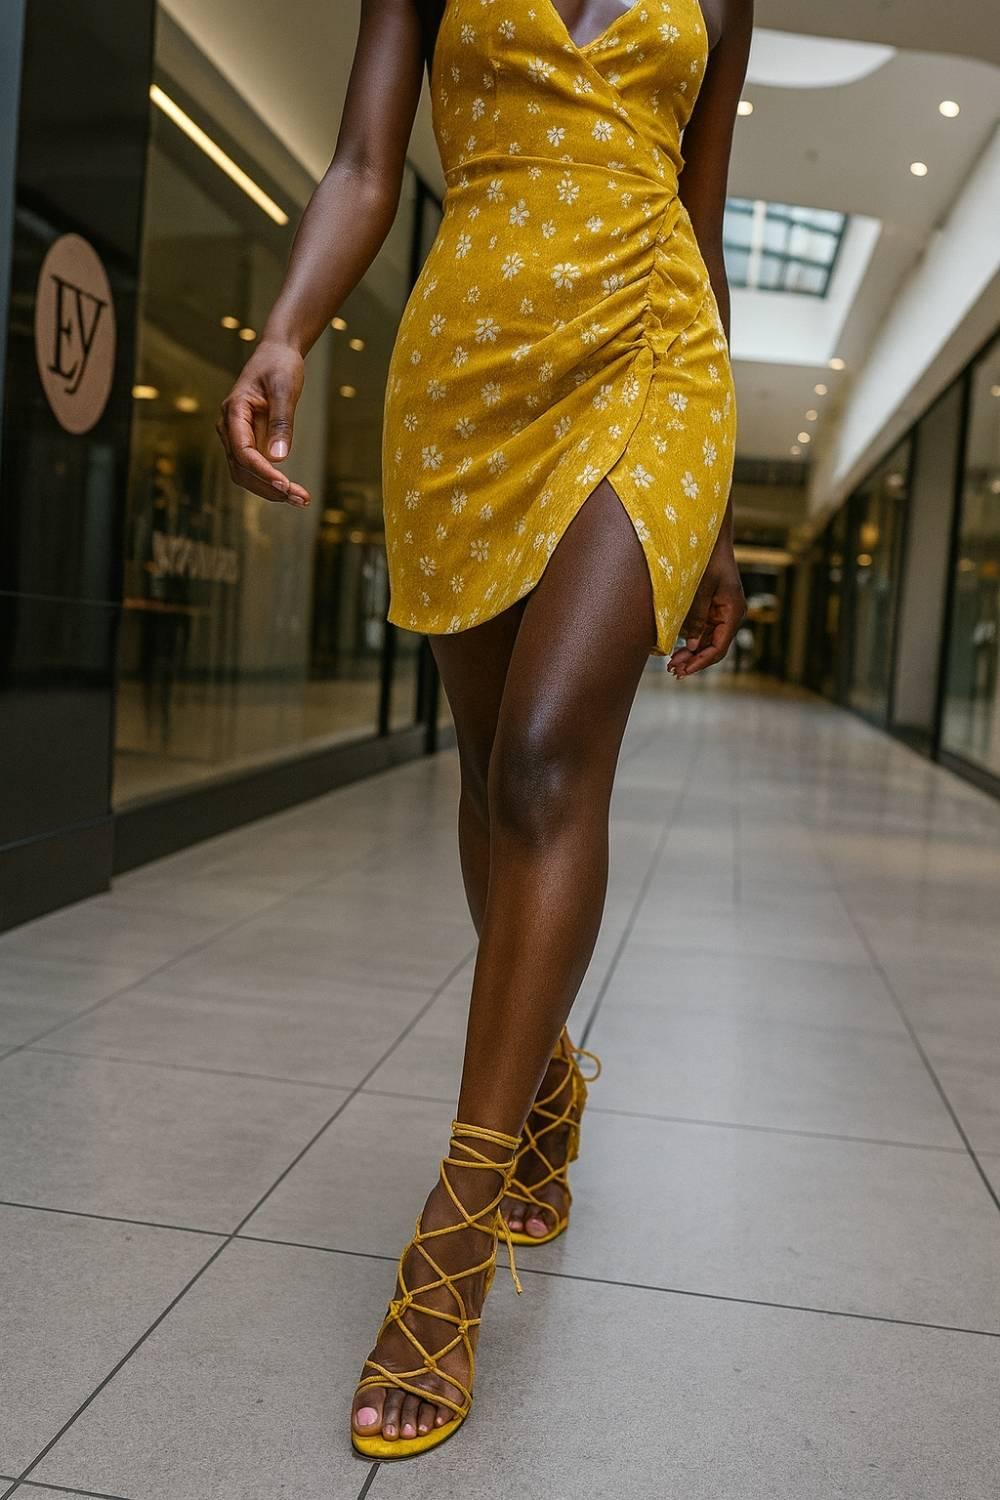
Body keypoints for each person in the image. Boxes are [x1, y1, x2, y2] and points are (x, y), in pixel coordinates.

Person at [217, 0, 751, 1460]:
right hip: (470, 359)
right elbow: (367, 168)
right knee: (491, 778)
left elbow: (701, 221)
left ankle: (452, 1240)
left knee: (544, 766)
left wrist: (715, 521)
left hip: (653, 348)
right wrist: (285, 332)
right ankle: (546, 1079)